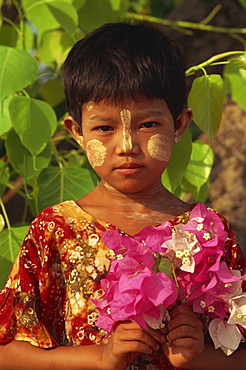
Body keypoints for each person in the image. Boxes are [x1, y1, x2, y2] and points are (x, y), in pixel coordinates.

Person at [0, 20, 245, 370]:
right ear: (76, 132)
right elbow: (7, 354)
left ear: (179, 125)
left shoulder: (209, 233)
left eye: (148, 125)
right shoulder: (55, 231)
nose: (127, 146)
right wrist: (101, 357)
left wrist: (193, 356)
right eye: (104, 128)